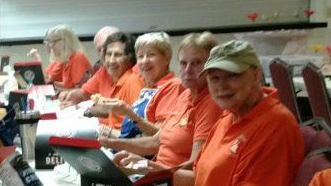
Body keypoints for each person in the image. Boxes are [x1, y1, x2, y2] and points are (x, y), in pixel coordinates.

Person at [161, 40, 303, 186]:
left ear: (256, 74)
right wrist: (156, 172)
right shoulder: (229, 116)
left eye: (232, 76)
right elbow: (204, 179)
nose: (222, 86)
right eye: (214, 78)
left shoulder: (276, 124)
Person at [105, 31, 222, 168]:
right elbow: (156, 142)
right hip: (158, 172)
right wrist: (107, 142)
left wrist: (148, 167)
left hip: (171, 182)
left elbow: (195, 167)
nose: (188, 70)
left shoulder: (210, 102)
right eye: (183, 63)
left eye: (196, 63)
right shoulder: (185, 95)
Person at [96, 31, 183, 140]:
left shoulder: (172, 85)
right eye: (141, 56)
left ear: (167, 58)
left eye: (151, 55)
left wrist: (127, 113)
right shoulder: (148, 88)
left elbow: (159, 137)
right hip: (128, 150)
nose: (144, 61)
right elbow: (132, 134)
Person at [75, 31, 145, 130]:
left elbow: (140, 127)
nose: (111, 60)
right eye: (108, 54)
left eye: (118, 55)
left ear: (129, 59)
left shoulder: (132, 82)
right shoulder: (116, 78)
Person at [61, 25, 120, 105]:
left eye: (107, 49)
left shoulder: (133, 74)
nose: (103, 54)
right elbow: (84, 93)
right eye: (99, 50)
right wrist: (70, 94)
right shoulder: (103, 70)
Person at [25, 25, 92, 91]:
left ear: (66, 41)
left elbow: (80, 91)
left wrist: (56, 90)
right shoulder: (63, 59)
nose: (51, 45)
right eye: (50, 42)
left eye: (54, 41)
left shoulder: (78, 58)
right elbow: (46, 80)